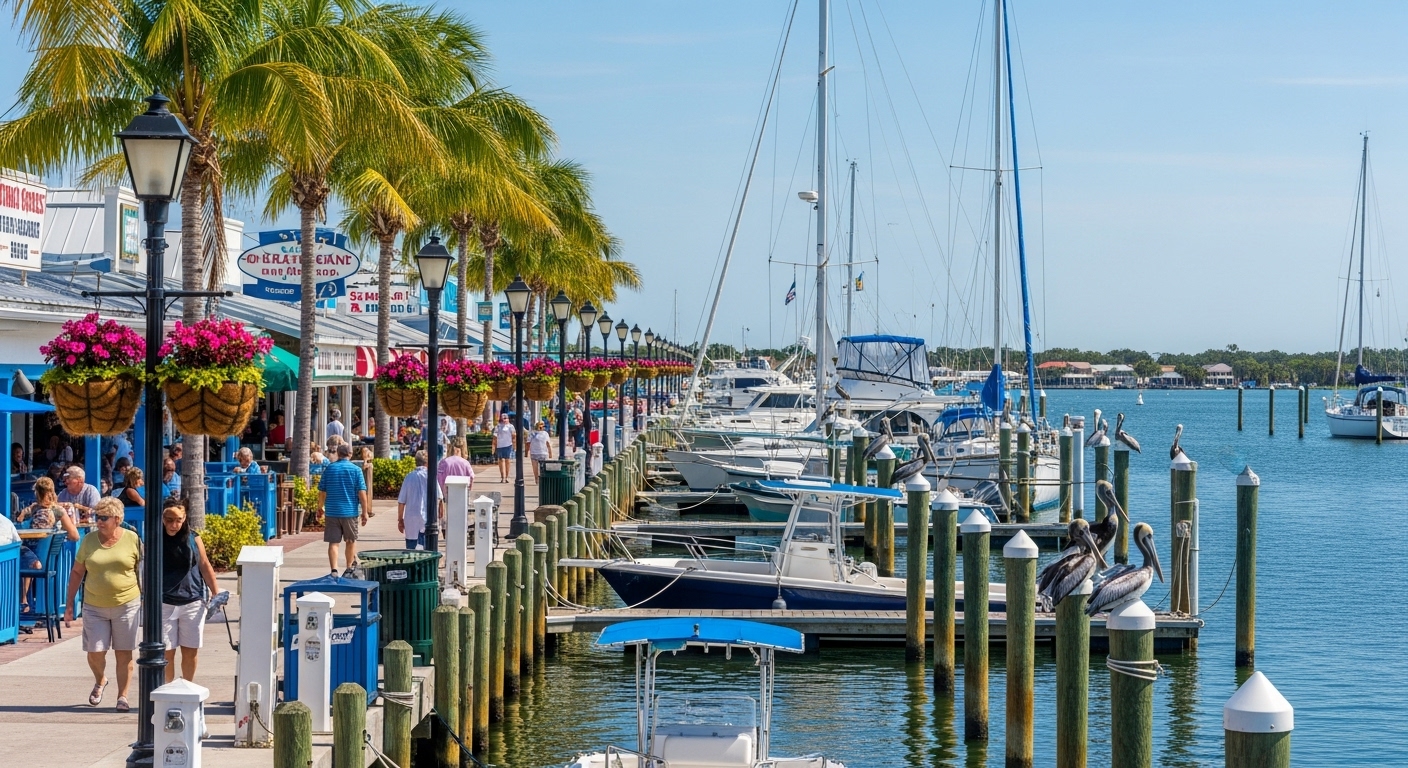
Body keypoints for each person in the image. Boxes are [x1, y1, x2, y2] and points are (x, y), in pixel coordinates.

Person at [65, 497, 141, 712]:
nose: (99, 521)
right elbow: (78, 571)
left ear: (117, 519)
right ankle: (101, 680)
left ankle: (122, 697)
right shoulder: (89, 541)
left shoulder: (133, 539)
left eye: (104, 518)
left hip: (127, 603)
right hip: (94, 604)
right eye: (97, 517)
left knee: (124, 652)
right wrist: (70, 604)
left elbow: (140, 569)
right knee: (95, 651)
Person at [159, 502, 220, 683]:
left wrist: (216, 593)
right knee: (166, 652)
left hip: (192, 599)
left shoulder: (193, 538)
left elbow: (204, 565)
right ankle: (168, 690)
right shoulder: (156, 539)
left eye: (178, 520)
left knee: (190, 650)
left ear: (184, 519)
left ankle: (187, 687)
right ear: (162, 519)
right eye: (169, 520)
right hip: (164, 601)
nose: (174, 525)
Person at [17, 476, 80, 611]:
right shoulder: (50, 509)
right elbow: (74, 535)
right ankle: (23, 601)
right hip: (43, 554)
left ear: (37, 493)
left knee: (25, 559)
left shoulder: (49, 509)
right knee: (27, 558)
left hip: (40, 555)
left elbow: (75, 536)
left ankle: (22, 601)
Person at [318, 443, 370, 576]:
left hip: (332, 511)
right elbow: (362, 493)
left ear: (338, 454)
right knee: (350, 541)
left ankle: (334, 570)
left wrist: (320, 508)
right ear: (350, 454)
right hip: (350, 512)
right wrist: (365, 512)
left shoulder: (329, 469)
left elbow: (322, 492)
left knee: (333, 543)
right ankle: (348, 568)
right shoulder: (356, 470)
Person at [396, 451, 429, 549]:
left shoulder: (409, 477)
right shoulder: (430, 477)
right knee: (427, 551)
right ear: (427, 462)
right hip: (427, 519)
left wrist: (400, 519)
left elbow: (401, 501)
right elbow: (439, 498)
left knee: (411, 551)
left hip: (411, 520)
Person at [437, 437, 475, 510]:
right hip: (462, 493)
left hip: (447, 494)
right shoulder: (465, 463)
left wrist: (442, 493)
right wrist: (469, 489)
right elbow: (471, 477)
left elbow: (439, 479)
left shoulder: (444, 462)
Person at [493, 413, 515, 483]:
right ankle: (503, 477)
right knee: (501, 460)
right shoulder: (498, 426)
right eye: (503, 418)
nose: (504, 420)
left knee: (507, 460)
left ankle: (507, 477)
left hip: (508, 445)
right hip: (500, 445)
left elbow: (514, 435)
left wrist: (514, 445)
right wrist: (494, 446)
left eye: (506, 418)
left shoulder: (511, 426)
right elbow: (494, 436)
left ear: (508, 419)